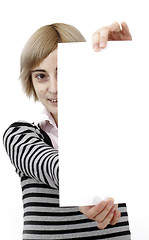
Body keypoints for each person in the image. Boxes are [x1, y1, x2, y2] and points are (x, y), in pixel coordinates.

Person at [3, 21, 132, 240]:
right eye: (41, 75)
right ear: (30, 81)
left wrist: (119, 65)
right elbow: (52, 165)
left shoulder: (116, 130)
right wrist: (82, 186)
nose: (54, 88)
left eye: (63, 72)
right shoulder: (20, 135)